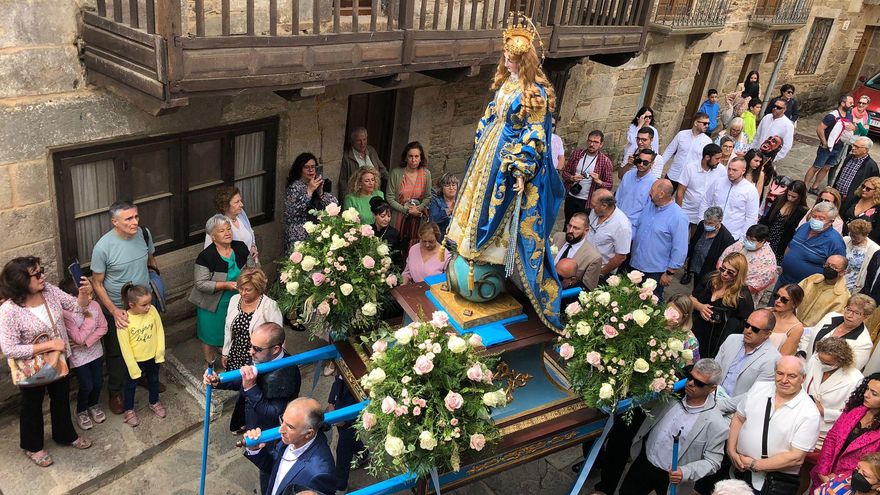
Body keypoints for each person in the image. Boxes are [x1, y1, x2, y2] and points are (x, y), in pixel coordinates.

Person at [444, 22, 565, 330]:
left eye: (512, 59)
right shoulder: (507, 85)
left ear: (524, 61)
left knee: (493, 210)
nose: (507, 62)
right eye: (506, 56)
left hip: (506, 160)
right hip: (488, 154)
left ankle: (482, 263)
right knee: (474, 204)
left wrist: (522, 168)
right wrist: (482, 137)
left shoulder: (533, 94)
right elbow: (490, 115)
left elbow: (536, 133)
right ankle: (468, 255)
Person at [0, 257, 93, 466]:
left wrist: (84, 293)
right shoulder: (9, 311)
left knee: (61, 398)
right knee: (31, 406)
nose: (43, 276)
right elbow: (9, 348)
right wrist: (50, 346)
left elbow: (77, 307)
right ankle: (33, 447)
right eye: (37, 274)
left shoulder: (49, 291)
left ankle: (65, 435)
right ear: (21, 280)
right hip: (32, 367)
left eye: (42, 271)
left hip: (58, 360)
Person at [205, 322, 300, 492]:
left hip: (271, 435)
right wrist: (218, 380)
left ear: (276, 349)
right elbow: (242, 379)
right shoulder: (261, 355)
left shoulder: (286, 373)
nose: (250, 352)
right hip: (254, 422)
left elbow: (274, 413)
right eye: (251, 345)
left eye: (256, 348)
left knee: (269, 472)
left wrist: (250, 388)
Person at [617, 359, 727, 495]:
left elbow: (713, 461)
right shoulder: (671, 395)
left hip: (673, 478)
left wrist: (685, 472)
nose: (691, 383)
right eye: (690, 377)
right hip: (645, 462)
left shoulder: (716, 423)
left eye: (699, 383)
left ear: (712, 388)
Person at [90, 200, 158, 415]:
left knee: (147, 341)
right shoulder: (103, 247)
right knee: (117, 353)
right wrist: (113, 310)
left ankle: (144, 378)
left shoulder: (144, 234)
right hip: (118, 309)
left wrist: (153, 282)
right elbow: (97, 283)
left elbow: (151, 258)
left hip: (144, 303)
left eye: (136, 216)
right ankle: (115, 392)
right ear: (115, 222)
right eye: (128, 218)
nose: (135, 222)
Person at [727, 356, 820, 493]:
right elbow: (739, 418)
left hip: (773, 482)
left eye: (791, 376)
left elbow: (796, 457)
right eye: (780, 373)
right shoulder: (759, 388)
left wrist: (755, 465)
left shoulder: (809, 413)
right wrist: (731, 451)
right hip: (738, 469)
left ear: (803, 378)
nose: (784, 380)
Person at [190, 214, 250, 368]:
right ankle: (209, 363)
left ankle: (230, 360)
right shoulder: (206, 256)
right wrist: (225, 285)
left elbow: (252, 269)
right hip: (212, 304)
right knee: (209, 336)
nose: (227, 232)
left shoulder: (240, 247)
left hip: (238, 300)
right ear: (213, 236)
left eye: (228, 229)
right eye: (222, 230)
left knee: (234, 332)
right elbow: (200, 284)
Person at [243, 398, 336, 495]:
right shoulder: (293, 437)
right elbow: (275, 467)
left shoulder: (320, 473)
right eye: (282, 420)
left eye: (290, 427)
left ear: (309, 433)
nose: (281, 430)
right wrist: (255, 449)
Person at [811, 374, 880, 491]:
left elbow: (875, 467)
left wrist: (838, 481)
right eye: (867, 389)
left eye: (874, 394)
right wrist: (823, 470)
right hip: (824, 475)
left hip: (851, 486)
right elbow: (831, 438)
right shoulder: (854, 410)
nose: (866, 394)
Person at [222, 267, 283, 390]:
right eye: (240, 288)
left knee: (253, 385)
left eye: (248, 290)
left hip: (257, 355)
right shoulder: (234, 300)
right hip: (236, 352)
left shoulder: (270, 306)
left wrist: (275, 364)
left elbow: (278, 336)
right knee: (236, 382)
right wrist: (225, 353)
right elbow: (228, 330)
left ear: (258, 288)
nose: (243, 293)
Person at [59, 278, 108, 431]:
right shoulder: (67, 314)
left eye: (88, 293)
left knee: (98, 382)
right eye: (84, 294)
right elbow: (77, 338)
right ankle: (81, 410)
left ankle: (93, 404)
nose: (89, 297)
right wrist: (88, 317)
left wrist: (87, 342)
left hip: (95, 351)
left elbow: (103, 327)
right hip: (78, 357)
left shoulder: (94, 305)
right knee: (87, 385)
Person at [630, 179, 689, 299]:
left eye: (652, 190)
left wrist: (669, 273)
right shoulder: (650, 206)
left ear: (661, 194)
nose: (649, 193)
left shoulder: (678, 217)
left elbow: (680, 248)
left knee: (650, 305)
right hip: (636, 263)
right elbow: (638, 226)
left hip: (655, 272)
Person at [117, 283, 166, 427]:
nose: (148, 307)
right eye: (144, 305)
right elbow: (125, 347)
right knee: (130, 385)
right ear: (131, 305)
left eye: (149, 303)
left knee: (154, 379)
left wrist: (160, 352)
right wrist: (132, 366)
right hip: (135, 359)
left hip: (152, 356)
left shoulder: (153, 312)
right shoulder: (124, 321)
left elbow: (159, 331)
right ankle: (129, 409)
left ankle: (154, 401)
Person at [691, 252, 755, 359]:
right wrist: (700, 307)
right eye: (722, 269)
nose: (724, 274)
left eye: (730, 272)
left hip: (716, 340)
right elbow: (691, 298)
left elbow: (747, 323)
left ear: (739, 274)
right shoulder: (711, 279)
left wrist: (725, 320)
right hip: (695, 329)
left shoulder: (742, 295)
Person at [805, 337, 864, 450]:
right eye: (820, 360)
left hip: (824, 432)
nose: (822, 365)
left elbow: (853, 414)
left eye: (827, 363)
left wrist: (825, 412)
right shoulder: (815, 360)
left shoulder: (856, 379)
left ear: (842, 361)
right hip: (802, 419)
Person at [799, 294, 875, 370]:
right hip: (804, 367)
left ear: (866, 317)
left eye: (856, 313)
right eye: (848, 309)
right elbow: (809, 336)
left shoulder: (864, 344)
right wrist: (802, 354)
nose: (849, 315)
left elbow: (849, 370)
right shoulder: (830, 317)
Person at [780, 201, 847, 287]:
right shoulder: (804, 227)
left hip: (807, 288)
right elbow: (790, 246)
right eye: (814, 216)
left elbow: (839, 268)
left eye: (821, 219)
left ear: (831, 221)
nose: (816, 220)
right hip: (783, 280)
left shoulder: (835, 242)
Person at [284, 153, 338, 251]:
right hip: (299, 236)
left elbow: (334, 205)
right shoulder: (294, 187)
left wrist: (321, 193)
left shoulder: (318, 183)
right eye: (306, 167)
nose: (311, 170)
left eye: (313, 167)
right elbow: (292, 212)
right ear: (300, 169)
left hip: (317, 234)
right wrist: (309, 191)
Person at [699, 157, 760, 241]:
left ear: (743, 171)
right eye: (729, 169)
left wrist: (742, 240)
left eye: (734, 170)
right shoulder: (718, 182)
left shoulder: (750, 190)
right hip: (710, 231)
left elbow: (751, 218)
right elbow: (705, 201)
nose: (730, 173)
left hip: (732, 236)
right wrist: (702, 221)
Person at [806, 95, 856, 195]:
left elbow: (851, 127)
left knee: (826, 168)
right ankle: (804, 186)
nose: (852, 105)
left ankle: (814, 187)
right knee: (816, 166)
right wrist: (824, 143)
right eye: (850, 103)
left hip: (839, 148)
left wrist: (853, 128)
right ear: (842, 103)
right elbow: (820, 128)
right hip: (827, 147)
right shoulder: (832, 116)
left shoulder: (849, 116)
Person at [560, 129, 613, 223]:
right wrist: (571, 178)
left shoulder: (605, 161)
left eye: (596, 142)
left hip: (587, 201)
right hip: (571, 196)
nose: (592, 144)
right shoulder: (577, 154)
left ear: (601, 144)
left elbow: (609, 185)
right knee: (568, 223)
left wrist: (598, 181)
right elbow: (565, 173)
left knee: (582, 227)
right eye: (590, 141)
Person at [717, 224, 778, 304]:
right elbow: (723, 258)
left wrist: (731, 290)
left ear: (763, 241)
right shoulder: (740, 244)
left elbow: (754, 286)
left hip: (741, 296)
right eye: (747, 238)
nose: (748, 242)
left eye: (752, 240)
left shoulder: (768, 260)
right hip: (722, 285)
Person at [326, 375, 366, 492]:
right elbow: (337, 382)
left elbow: (364, 400)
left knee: (343, 450)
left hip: (351, 419)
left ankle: (340, 486)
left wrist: (346, 420)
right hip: (339, 412)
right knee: (352, 440)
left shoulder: (358, 373)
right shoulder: (342, 366)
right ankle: (364, 454)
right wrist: (331, 402)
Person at [388, 141, 432, 248]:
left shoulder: (426, 174)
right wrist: (406, 210)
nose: (413, 160)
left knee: (414, 247)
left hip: (417, 219)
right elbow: (389, 197)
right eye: (410, 156)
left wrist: (418, 209)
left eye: (416, 156)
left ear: (421, 158)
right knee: (396, 247)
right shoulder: (396, 173)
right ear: (405, 158)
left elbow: (427, 197)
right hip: (399, 217)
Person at [676, 143, 726, 228]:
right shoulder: (690, 168)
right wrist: (678, 213)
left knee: (696, 239)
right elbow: (680, 192)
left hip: (707, 215)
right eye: (717, 158)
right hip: (686, 211)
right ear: (707, 157)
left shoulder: (721, 170)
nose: (719, 161)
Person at [658, 112, 713, 190]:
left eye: (708, 123)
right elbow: (669, 151)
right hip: (674, 174)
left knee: (682, 201)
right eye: (704, 123)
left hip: (690, 179)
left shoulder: (708, 141)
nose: (707, 126)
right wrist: (659, 166)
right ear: (696, 123)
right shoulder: (681, 134)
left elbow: (706, 162)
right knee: (662, 197)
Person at [682, 207, 735, 286]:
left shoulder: (726, 239)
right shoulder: (701, 225)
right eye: (705, 222)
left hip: (709, 275)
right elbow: (693, 243)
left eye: (710, 223)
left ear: (719, 221)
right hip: (696, 266)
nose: (706, 225)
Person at [761, 179, 810, 265]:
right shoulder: (779, 200)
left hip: (782, 245)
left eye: (794, 197)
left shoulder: (802, 211)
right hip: (768, 238)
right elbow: (767, 218)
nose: (790, 198)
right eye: (789, 195)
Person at [205, 186, 259, 262]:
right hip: (232, 270)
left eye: (240, 201)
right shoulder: (216, 223)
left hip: (251, 264)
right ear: (225, 206)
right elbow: (209, 253)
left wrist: (253, 246)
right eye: (237, 202)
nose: (241, 204)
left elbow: (250, 231)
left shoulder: (241, 214)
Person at [586, 189, 632, 278]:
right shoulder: (595, 211)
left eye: (594, 206)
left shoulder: (622, 226)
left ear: (604, 206)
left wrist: (602, 273)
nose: (592, 208)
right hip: (585, 264)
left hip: (601, 271)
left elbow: (621, 256)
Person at [797, 255, 851, 328]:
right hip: (792, 323)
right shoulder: (813, 279)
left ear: (842, 272)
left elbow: (830, 323)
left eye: (833, 267)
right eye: (827, 264)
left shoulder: (843, 296)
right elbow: (794, 295)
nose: (828, 268)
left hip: (811, 333)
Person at [552, 212, 602, 290]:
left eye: (576, 228)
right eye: (569, 226)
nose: (570, 230)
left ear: (586, 231)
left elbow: (587, 288)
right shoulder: (557, 237)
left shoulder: (593, 258)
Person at [339, 127, 388, 201]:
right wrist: (346, 198)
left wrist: (393, 182)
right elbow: (343, 181)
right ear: (352, 141)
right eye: (358, 140)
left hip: (374, 194)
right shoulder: (347, 156)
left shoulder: (371, 150)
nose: (362, 143)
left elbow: (382, 169)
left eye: (364, 139)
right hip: (357, 197)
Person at [615, 148, 657, 227]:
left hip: (634, 225)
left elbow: (649, 210)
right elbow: (618, 197)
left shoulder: (654, 183)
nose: (641, 164)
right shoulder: (628, 175)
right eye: (639, 161)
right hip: (617, 219)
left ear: (652, 163)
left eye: (645, 162)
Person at [834, 137, 878, 206]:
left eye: (857, 147)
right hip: (836, 195)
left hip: (850, 201)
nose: (853, 148)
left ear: (865, 150)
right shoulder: (849, 157)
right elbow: (840, 175)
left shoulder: (871, 166)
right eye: (853, 145)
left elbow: (874, 187)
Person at [815, 452, 880, 495]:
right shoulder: (842, 479)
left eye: (865, 475)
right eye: (857, 468)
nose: (857, 475)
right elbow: (819, 491)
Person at [620, 109, 660, 178]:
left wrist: (650, 160)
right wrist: (640, 125)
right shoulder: (633, 127)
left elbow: (655, 147)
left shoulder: (653, 131)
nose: (647, 119)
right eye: (645, 117)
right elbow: (632, 141)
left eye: (650, 117)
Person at [842, 177, 880, 245]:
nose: (864, 189)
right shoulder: (855, 199)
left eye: (868, 189)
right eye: (863, 186)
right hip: (842, 236)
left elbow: (876, 233)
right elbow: (842, 214)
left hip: (861, 243)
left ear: (877, 192)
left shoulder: (878, 209)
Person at [769, 284, 805, 355]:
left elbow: (783, 356)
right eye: (776, 296)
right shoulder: (765, 312)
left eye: (784, 300)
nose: (778, 301)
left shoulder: (796, 328)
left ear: (795, 304)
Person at [845, 219, 880, 292]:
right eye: (851, 235)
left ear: (866, 235)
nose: (852, 238)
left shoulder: (874, 249)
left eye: (856, 237)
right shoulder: (845, 240)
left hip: (855, 285)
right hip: (839, 279)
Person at [370, 197, 403, 269]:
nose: (386, 219)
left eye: (389, 216)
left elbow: (398, 259)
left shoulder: (394, 233)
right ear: (374, 215)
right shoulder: (368, 230)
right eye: (382, 216)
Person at [667, 294, 699, 362]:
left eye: (674, 314)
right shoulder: (657, 324)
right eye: (668, 310)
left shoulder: (691, 342)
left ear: (685, 316)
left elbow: (690, 367)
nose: (669, 316)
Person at [428, 173, 459, 240]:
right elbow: (432, 220)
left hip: (458, 239)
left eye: (453, 185)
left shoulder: (461, 200)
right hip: (441, 240)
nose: (451, 188)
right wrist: (449, 210)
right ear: (442, 188)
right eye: (447, 186)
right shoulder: (436, 201)